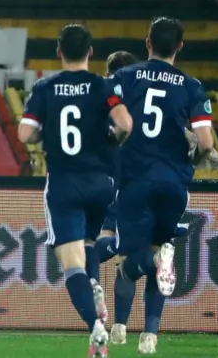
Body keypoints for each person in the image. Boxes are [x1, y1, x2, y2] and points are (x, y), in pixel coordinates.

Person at [98, 51, 218, 350]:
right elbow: (195, 138)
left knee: (120, 256)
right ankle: (148, 335)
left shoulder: (116, 104)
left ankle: (118, 324)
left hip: (125, 186)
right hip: (166, 184)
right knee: (155, 256)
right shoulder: (167, 100)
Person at [18, 24, 133, 358]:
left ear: (58, 52)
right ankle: (94, 284)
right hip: (101, 183)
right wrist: (111, 138)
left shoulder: (45, 87)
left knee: (71, 265)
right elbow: (125, 124)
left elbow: (26, 134)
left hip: (65, 183)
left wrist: (45, 133)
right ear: (90, 52)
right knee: (89, 244)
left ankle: (95, 327)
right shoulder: (103, 86)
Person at [109, 17, 215, 354]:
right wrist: (191, 165)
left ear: (147, 42)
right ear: (180, 46)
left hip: (135, 179)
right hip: (173, 183)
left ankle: (120, 326)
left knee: (130, 260)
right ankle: (150, 335)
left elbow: (108, 122)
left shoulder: (124, 77)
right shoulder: (192, 86)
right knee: (159, 251)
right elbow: (207, 143)